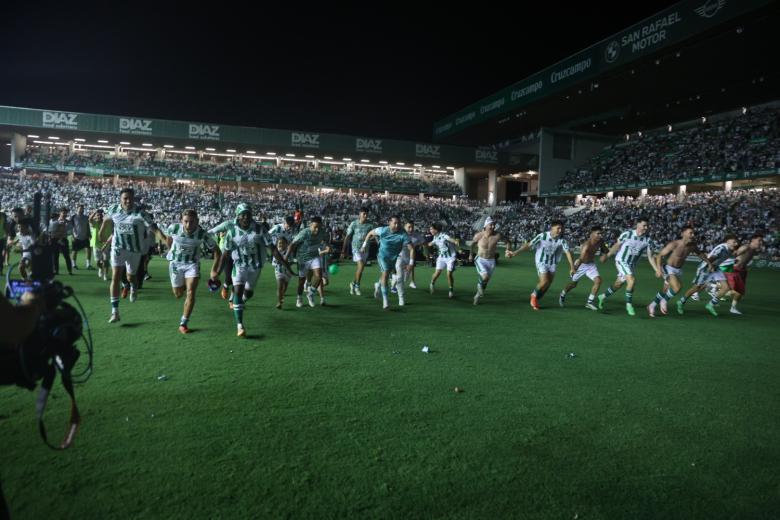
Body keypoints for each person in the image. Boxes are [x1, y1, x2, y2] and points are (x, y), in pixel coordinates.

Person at [221, 204, 291, 336]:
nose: (246, 217)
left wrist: (285, 263)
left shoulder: (260, 229)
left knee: (248, 292)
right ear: (238, 216)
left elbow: (273, 249)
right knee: (238, 290)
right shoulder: (232, 231)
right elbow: (225, 254)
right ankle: (240, 325)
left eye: (248, 214)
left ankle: (240, 301)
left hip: (255, 266)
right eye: (243, 214)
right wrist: (216, 272)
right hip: (239, 265)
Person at [99, 188, 165, 323]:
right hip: (118, 248)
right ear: (120, 199)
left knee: (131, 276)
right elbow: (106, 220)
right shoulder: (113, 209)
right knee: (116, 277)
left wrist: (165, 240)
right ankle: (115, 312)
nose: (128, 201)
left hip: (134, 250)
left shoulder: (140, 214)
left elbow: (154, 228)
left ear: (134, 199)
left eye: (130, 198)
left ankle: (134, 287)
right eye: (125, 198)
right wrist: (101, 233)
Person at [165, 209, 221, 334]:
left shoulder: (202, 234)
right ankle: (183, 284)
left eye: (192, 222)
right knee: (178, 294)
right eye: (186, 222)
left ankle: (183, 323)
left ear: (197, 221)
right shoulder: (173, 228)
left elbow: (217, 251)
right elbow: (168, 239)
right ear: (181, 221)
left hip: (192, 265)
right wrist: (170, 250)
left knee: (191, 292)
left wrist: (214, 270)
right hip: (175, 264)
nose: (188, 225)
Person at [506, 220, 574, 311]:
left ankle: (536, 297)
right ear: (552, 228)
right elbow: (529, 245)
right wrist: (515, 253)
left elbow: (568, 253)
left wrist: (572, 267)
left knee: (547, 285)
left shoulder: (562, 240)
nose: (560, 230)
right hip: (541, 262)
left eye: (562, 228)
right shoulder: (543, 236)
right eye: (558, 228)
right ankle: (533, 296)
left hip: (552, 263)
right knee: (544, 281)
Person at [598, 218, 661, 316]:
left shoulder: (648, 240)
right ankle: (629, 305)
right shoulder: (627, 234)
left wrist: (656, 269)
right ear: (638, 225)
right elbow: (617, 245)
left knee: (618, 284)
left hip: (631, 265)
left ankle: (602, 296)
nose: (646, 228)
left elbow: (650, 256)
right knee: (631, 280)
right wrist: (608, 255)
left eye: (647, 226)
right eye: (644, 225)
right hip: (621, 261)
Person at [646, 226, 711, 318]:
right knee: (677, 287)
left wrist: (709, 263)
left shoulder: (692, 246)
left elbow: (700, 254)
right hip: (668, 268)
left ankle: (651, 305)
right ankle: (664, 301)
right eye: (690, 233)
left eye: (693, 233)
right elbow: (660, 255)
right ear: (683, 234)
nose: (693, 235)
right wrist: (658, 269)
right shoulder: (674, 244)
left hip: (678, 270)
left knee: (665, 290)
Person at [677, 235, 739, 317]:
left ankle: (710, 305)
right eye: (734, 242)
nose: (736, 243)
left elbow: (730, 258)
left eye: (736, 242)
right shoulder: (721, 248)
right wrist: (710, 266)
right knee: (697, 288)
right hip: (706, 267)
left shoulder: (730, 250)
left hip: (715, 267)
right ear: (727, 242)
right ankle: (681, 302)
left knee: (726, 288)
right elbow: (710, 259)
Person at [361, 215, 414, 309]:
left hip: (393, 258)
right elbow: (370, 233)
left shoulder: (403, 233)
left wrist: (411, 263)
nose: (397, 225)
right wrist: (364, 245)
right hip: (382, 256)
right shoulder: (383, 230)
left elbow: (411, 248)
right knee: (385, 274)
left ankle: (378, 286)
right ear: (389, 223)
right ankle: (385, 301)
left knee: (386, 275)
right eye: (395, 223)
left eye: (399, 223)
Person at [559, 225, 609, 311]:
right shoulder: (586, 245)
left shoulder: (600, 241)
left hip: (591, 265)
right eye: (598, 233)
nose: (600, 235)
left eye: (601, 233)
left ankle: (589, 302)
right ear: (592, 234)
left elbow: (605, 250)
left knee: (598, 281)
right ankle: (563, 294)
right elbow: (581, 259)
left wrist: (605, 255)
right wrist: (574, 268)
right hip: (581, 265)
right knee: (573, 284)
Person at [287, 216, 331, 308]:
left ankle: (310, 293)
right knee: (301, 281)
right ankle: (299, 298)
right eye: (315, 227)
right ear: (310, 225)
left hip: (315, 256)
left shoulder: (322, 232)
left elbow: (326, 240)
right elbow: (292, 244)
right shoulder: (304, 233)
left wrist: (327, 246)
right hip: (303, 259)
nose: (317, 229)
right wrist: (286, 257)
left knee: (319, 276)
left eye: (319, 227)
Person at [468, 217, 504, 305]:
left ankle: (476, 296)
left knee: (486, 281)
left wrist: (508, 250)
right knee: (485, 277)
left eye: (493, 225)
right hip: (480, 259)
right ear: (485, 226)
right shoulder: (478, 235)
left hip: (491, 261)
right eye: (490, 225)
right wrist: (470, 254)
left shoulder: (497, 235)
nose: (493, 226)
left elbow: (508, 242)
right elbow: (472, 244)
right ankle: (479, 286)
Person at [725, 233, 763, 315]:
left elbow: (745, 259)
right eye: (759, 240)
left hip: (742, 271)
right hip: (735, 270)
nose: (761, 243)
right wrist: (735, 263)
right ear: (753, 240)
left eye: (761, 241)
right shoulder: (745, 247)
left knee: (739, 292)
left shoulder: (754, 250)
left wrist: (745, 266)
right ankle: (732, 307)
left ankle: (714, 287)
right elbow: (733, 255)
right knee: (739, 291)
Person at [341, 208, 374, 296]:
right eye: (364, 214)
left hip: (366, 249)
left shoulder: (370, 225)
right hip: (356, 248)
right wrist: (343, 251)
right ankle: (357, 286)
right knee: (361, 266)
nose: (365, 216)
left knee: (361, 269)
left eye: (366, 214)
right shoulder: (354, 224)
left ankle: (353, 283)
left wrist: (369, 239)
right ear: (359, 214)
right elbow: (347, 236)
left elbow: (374, 236)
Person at [427, 222, 460, 298]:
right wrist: (428, 244)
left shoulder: (444, 235)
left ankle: (451, 290)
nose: (430, 230)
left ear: (436, 229)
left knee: (449, 274)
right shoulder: (435, 237)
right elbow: (433, 242)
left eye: (431, 229)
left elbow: (450, 239)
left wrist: (455, 241)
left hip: (450, 257)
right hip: (441, 258)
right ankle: (432, 284)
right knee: (437, 273)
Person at [393, 220, 426, 293]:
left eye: (412, 227)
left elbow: (424, 243)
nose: (411, 229)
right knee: (400, 274)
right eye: (409, 227)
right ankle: (395, 288)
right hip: (399, 257)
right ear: (404, 227)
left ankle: (394, 281)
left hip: (409, 259)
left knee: (405, 278)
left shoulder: (417, 235)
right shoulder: (399, 234)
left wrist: (427, 252)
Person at [48, 208, 73, 276]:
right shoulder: (54, 221)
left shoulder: (68, 222)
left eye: (65, 213)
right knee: (55, 256)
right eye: (63, 213)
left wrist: (64, 232)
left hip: (63, 239)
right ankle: (56, 270)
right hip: (55, 240)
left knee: (66, 256)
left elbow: (70, 231)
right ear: (60, 213)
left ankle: (69, 270)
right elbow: (50, 231)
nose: (64, 214)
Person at [70, 204, 92, 270]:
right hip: (76, 237)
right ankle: (73, 264)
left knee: (88, 250)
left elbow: (87, 226)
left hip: (85, 237)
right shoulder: (73, 217)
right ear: (77, 208)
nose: (81, 209)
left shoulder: (86, 217)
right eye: (80, 208)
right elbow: (71, 227)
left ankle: (88, 264)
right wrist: (72, 235)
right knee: (74, 251)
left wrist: (89, 234)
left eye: (82, 208)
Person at [89, 209, 109, 280]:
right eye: (98, 215)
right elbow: (90, 219)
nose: (99, 216)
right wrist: (94, 212)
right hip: (96, 244)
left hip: (105, 243)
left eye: (100, 215)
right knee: (97, 261)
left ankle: (105, 275)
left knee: (106, 260)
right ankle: (100, 269)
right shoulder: (94, 223)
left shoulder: (105, 222)